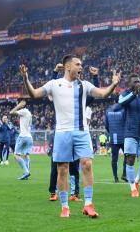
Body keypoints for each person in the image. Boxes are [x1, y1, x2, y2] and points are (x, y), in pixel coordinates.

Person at [21, 54, 120, 218]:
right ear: (68, 67)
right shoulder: (54, 84)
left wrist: (114, 84)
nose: (81, 67)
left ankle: (88, 204)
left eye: (81, 64)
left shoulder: (84, 84)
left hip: (82, 131)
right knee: (62, 169)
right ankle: (65, 206)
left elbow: (102, 94)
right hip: (62, 132)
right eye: (78, 64)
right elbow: (34, 94)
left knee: (87, 164)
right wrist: (26, 79)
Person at [48, 64, 100, 203]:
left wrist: (95, 77)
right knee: (57, 166)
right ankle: (53, 191)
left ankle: (75, 193)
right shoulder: (59, 93)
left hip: (77, 133)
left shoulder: (81, 98)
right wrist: (54, 72)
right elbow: (51, 89)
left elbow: (94, 95)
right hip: (62, 132)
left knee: (76, 166)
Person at [105, 97, 127, 183]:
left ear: (114, 101)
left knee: (114, 159)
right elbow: (126, 122)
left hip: (113, 138)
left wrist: (111, 132)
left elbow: (106, 125)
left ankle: (115, 178)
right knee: (127, 156)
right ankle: (124, 174)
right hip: (124, 137)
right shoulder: (124, 110)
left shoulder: (108, 111)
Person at [9, 99, 33, 180]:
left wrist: (19, 106)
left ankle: (26, 171)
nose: (17, 104)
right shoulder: (29, 113)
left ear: (23, 104)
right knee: (26, 155)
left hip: (23, 136)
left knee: (16, 155)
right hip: (29, 137)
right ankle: (26, 174)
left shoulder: (24, 111)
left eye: (18, 102)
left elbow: (11, 112)